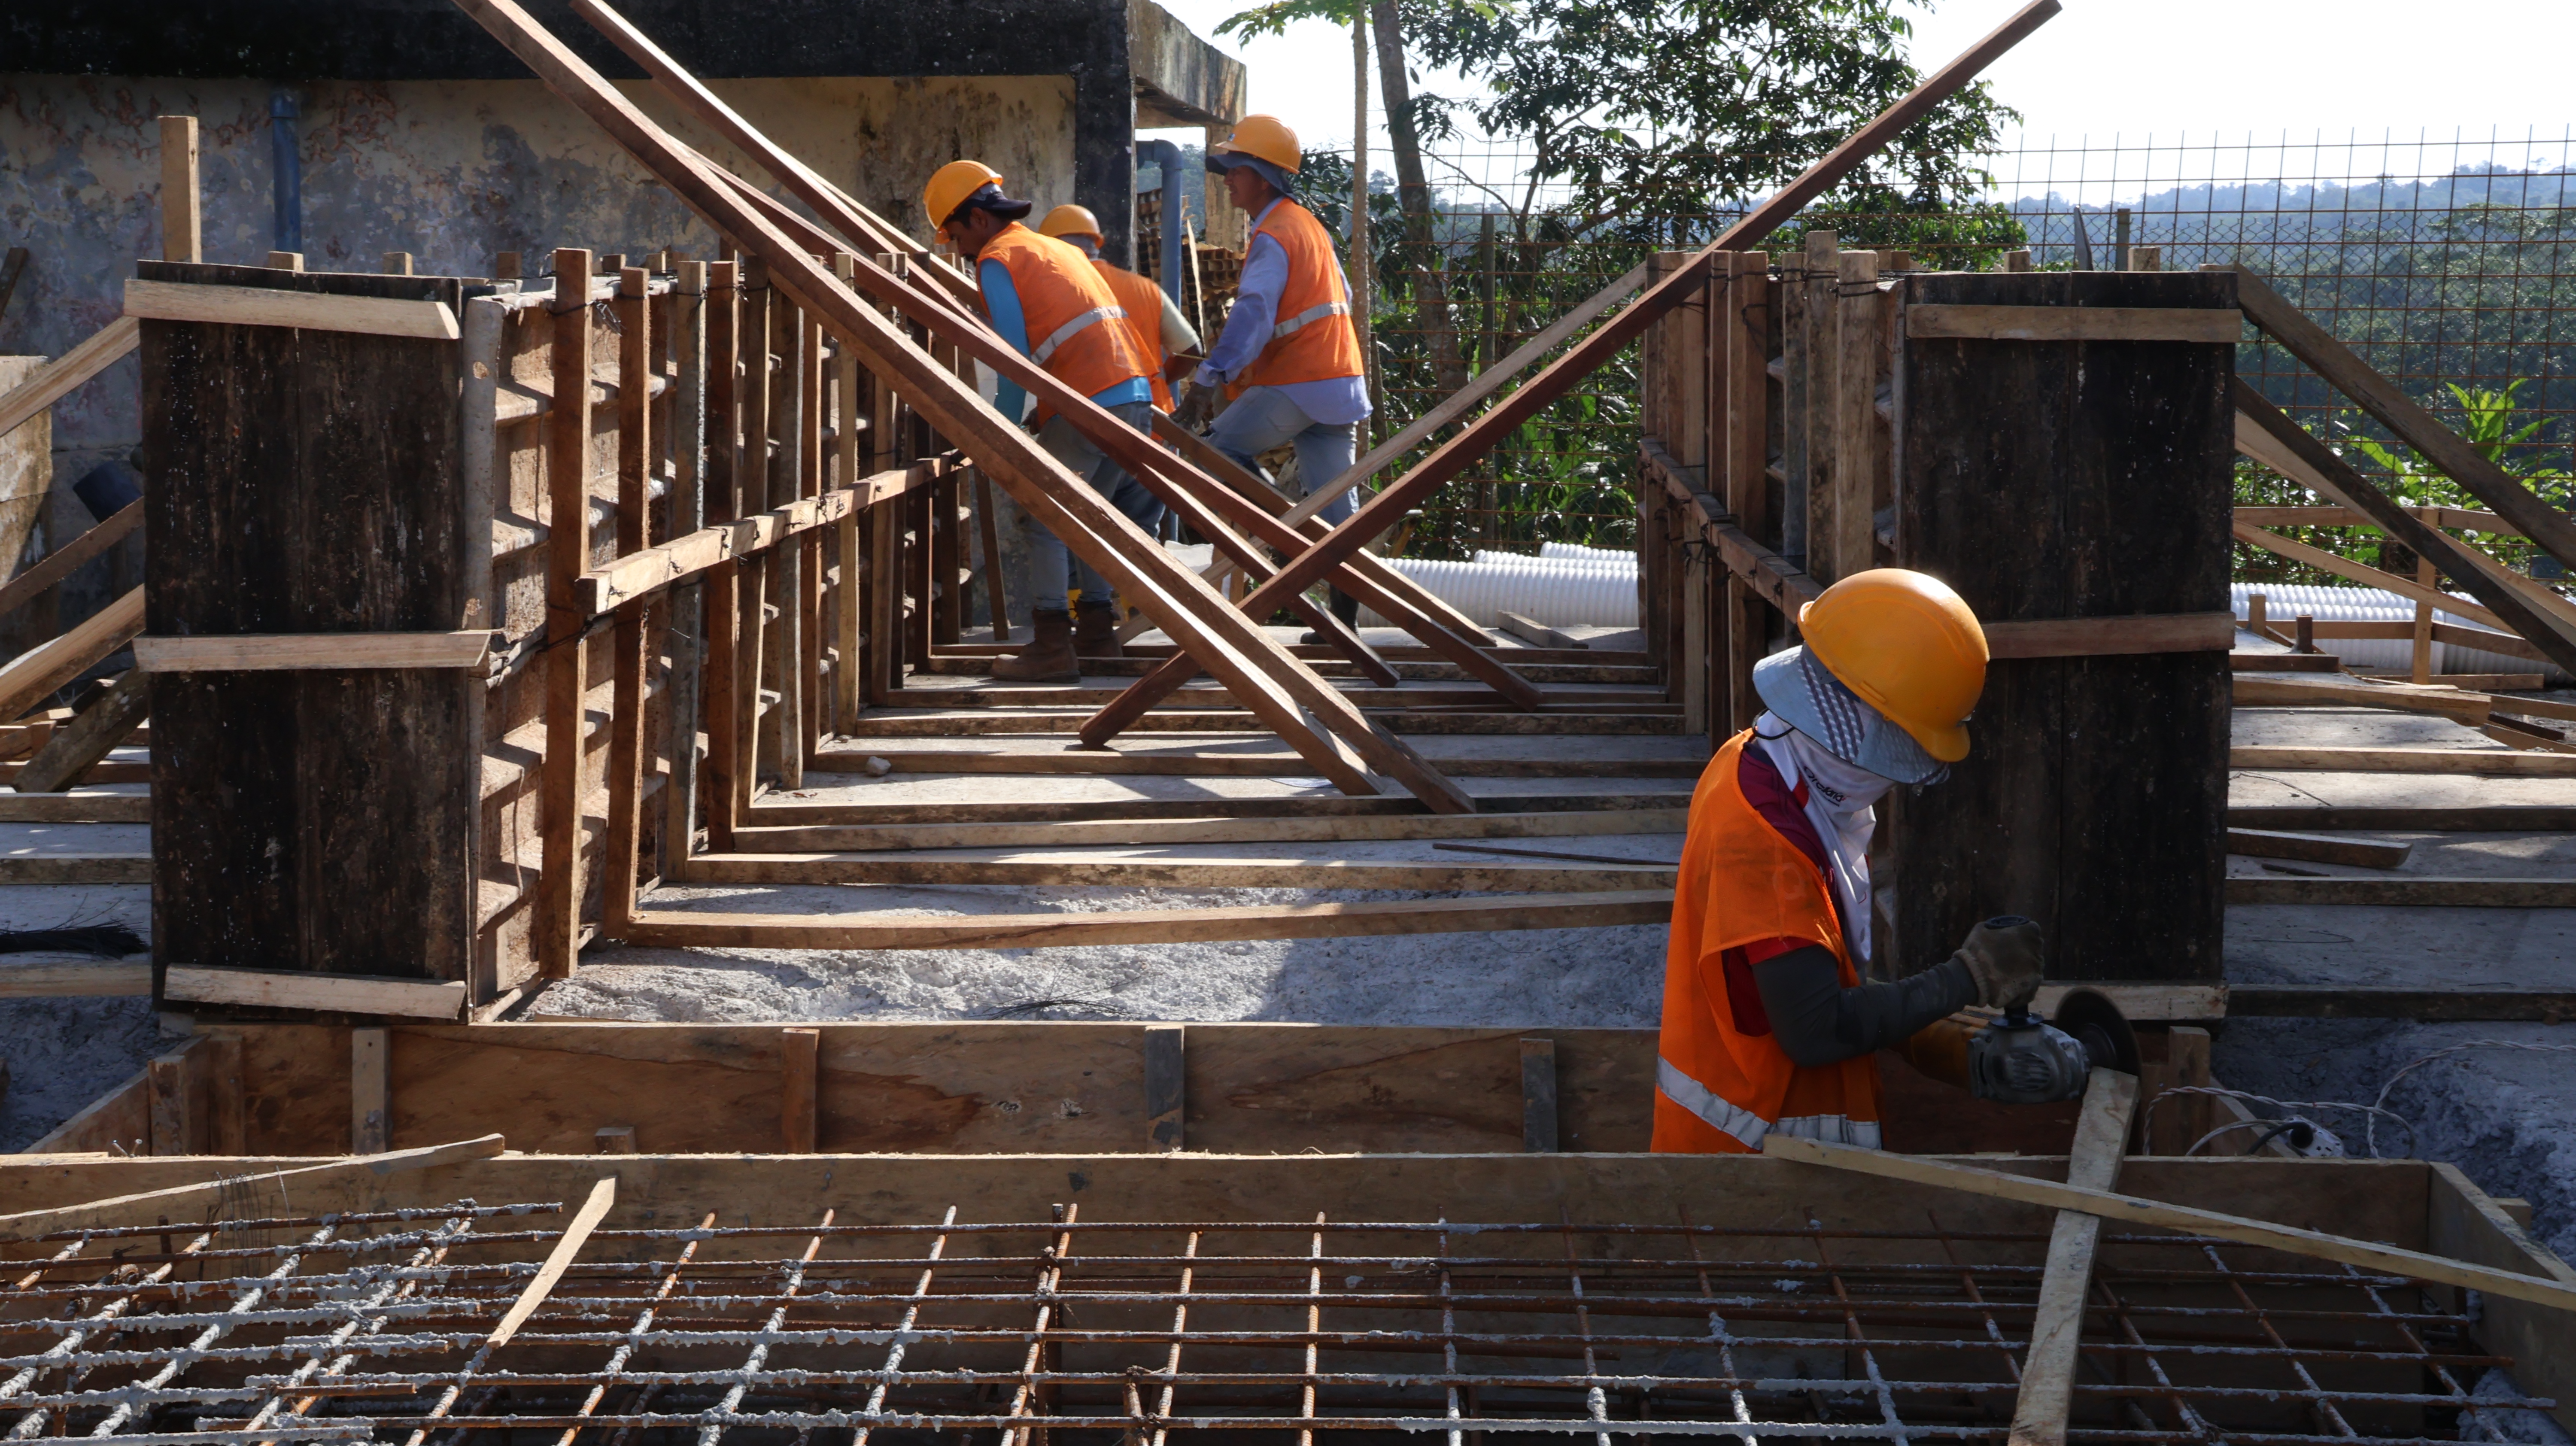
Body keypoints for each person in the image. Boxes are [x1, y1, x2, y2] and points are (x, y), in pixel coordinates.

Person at [1653, 568, 2046, 1154]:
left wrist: (1941, 1040)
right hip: (1751, 1160)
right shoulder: (1765, 843)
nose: (1893, 780)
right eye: (1900, 752)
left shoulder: (1757, 759)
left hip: (1762, 1147)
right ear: (1861, 723)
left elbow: (1819, 981)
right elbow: (1815, 1030)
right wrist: (1970, 977)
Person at [921, 161, 1160, 679]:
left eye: (957, 235)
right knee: (1091, 516)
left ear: (979, 220)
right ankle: (1097, 632)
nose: (959, 251)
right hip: (1133, 396)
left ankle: (1053, 642)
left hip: (1091, 401)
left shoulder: (998, 258)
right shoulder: (1059, 249)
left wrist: (999, 432)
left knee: (1044, 516)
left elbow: (1013, 362)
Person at [1191, 115, 1370, 639]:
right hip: (1340, 381)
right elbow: (1344, 301)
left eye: (1235, 169)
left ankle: (1282, 518)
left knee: (1215, 450)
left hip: (1298, 378)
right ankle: (1344, 623)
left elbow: (1253, 312)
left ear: (1263, 177)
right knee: (1339, 510)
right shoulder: (1308, 226)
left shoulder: (1272, 234)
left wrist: (1211, 375)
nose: (1227, 178)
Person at [1037, 204, 1201, 418]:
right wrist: (1157, 381)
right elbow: (1191, 351)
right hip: (1149, 420)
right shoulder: (1147, 289)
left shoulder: (1054, 293)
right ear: (1097, 244)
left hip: (1079, 420)